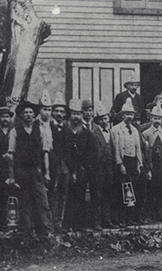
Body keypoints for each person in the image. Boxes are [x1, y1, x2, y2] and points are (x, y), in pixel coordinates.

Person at [7, 101, 53, 238]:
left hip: (36, 171)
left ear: (34, 115)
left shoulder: (40, 131)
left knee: (43, 203)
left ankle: (47, 234)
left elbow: (45, 152)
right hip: (21, 172)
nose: (28, 115)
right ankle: (25, 235)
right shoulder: (15, 132)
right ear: (21, 115)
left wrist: (47, 173)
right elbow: (11, 155)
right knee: (24, 204)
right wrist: (12, 176)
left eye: (30, 113)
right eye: (25, 113)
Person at [64, 99, 98, 231]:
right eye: (74, 114)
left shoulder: (86, 133)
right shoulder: (65, 132)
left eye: (78, 114)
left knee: (80, 197)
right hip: (67, 168)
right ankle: (66, 225)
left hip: (81, 170)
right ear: (70, 115)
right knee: (67, 197)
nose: (76, 117)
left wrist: (84, 166)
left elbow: (92, 151)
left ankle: (79, 225)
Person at [112, 98, 146, 226]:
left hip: (133, 162)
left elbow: (138, 149)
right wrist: (120, 164)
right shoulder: (116, 130)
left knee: (134, 191)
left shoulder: (135, 130)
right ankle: (122, 219)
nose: (129, 117)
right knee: (123, 191)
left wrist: (139, 164)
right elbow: (115, 149)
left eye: (131, 114)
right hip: (123, 162)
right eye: (127, 114)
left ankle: (131, 217)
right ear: (122, 116)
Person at [49, 93, 73, 233]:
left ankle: (59, 223)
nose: (59, 114)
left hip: (65, 167)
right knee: (52, 193)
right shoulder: (48, 128)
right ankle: (49, 223)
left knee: (63, 195)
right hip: (53, 166)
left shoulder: (68, 130)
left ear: (65, 115)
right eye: (56, 111)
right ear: (52, 113)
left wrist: (71, 168)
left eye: (61, 112)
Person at [91, 102, 118, 228]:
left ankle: (107, 220)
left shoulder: (112, 133)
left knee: (108, 194)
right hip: (97, 169)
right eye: (101, 119)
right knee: (97, 195)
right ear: (97, 121)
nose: (104, 121)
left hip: (109, 169)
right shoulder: (93, 134)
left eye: (106, 118)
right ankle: (96, 222)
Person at [142, 103, 162, 222]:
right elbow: (144, 152)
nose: (157, 120)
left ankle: (161, 213)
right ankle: (150, 214)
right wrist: (148, 168)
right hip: (152, 165)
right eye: (155, 118)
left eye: (159, 118)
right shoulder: (146, 134)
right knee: (151, 190)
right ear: (150, 118)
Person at [0, 106, 14, 231]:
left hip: (12, 169)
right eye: (2, 116)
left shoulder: (14, 131)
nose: (5, 119)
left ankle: (12, 223)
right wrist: (1, 156)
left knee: (12, 197)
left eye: (7, 116)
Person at [34, 90, 54, 190]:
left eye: (49, 110)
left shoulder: (52, 125)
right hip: (38, 158)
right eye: (45, 109)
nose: (47, 113)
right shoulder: (35, 124)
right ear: (40, 110)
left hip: (51, 158)